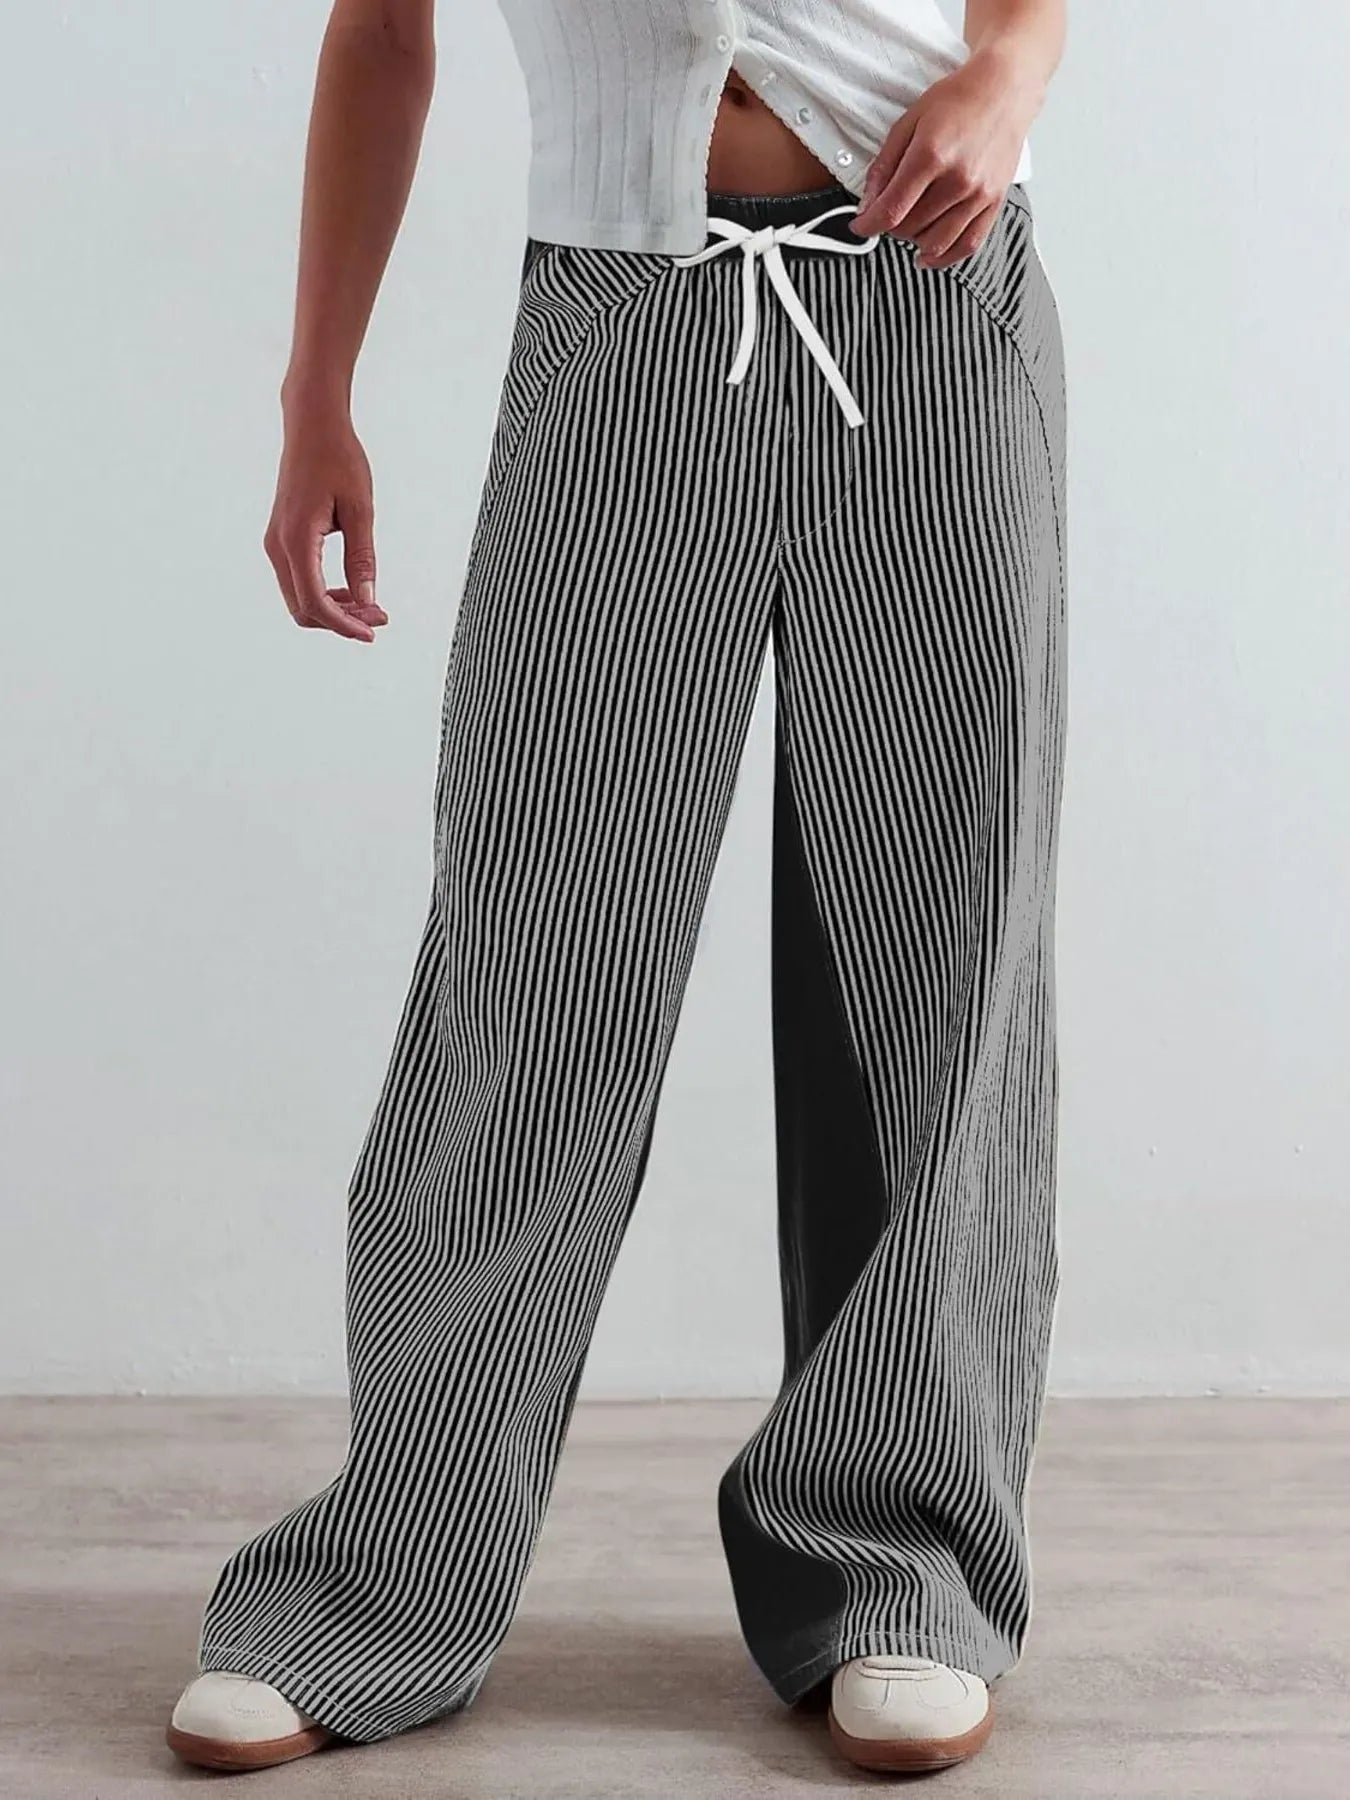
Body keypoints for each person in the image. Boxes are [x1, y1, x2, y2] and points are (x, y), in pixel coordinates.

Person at [166, 0, 1068, 1777]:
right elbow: (380, 32)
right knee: (531, 967)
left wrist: (1006, 69)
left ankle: (898, 1573)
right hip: (621, 323)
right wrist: (315, 393)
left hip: (934, 297)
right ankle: (382, 1585)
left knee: (939, 962)